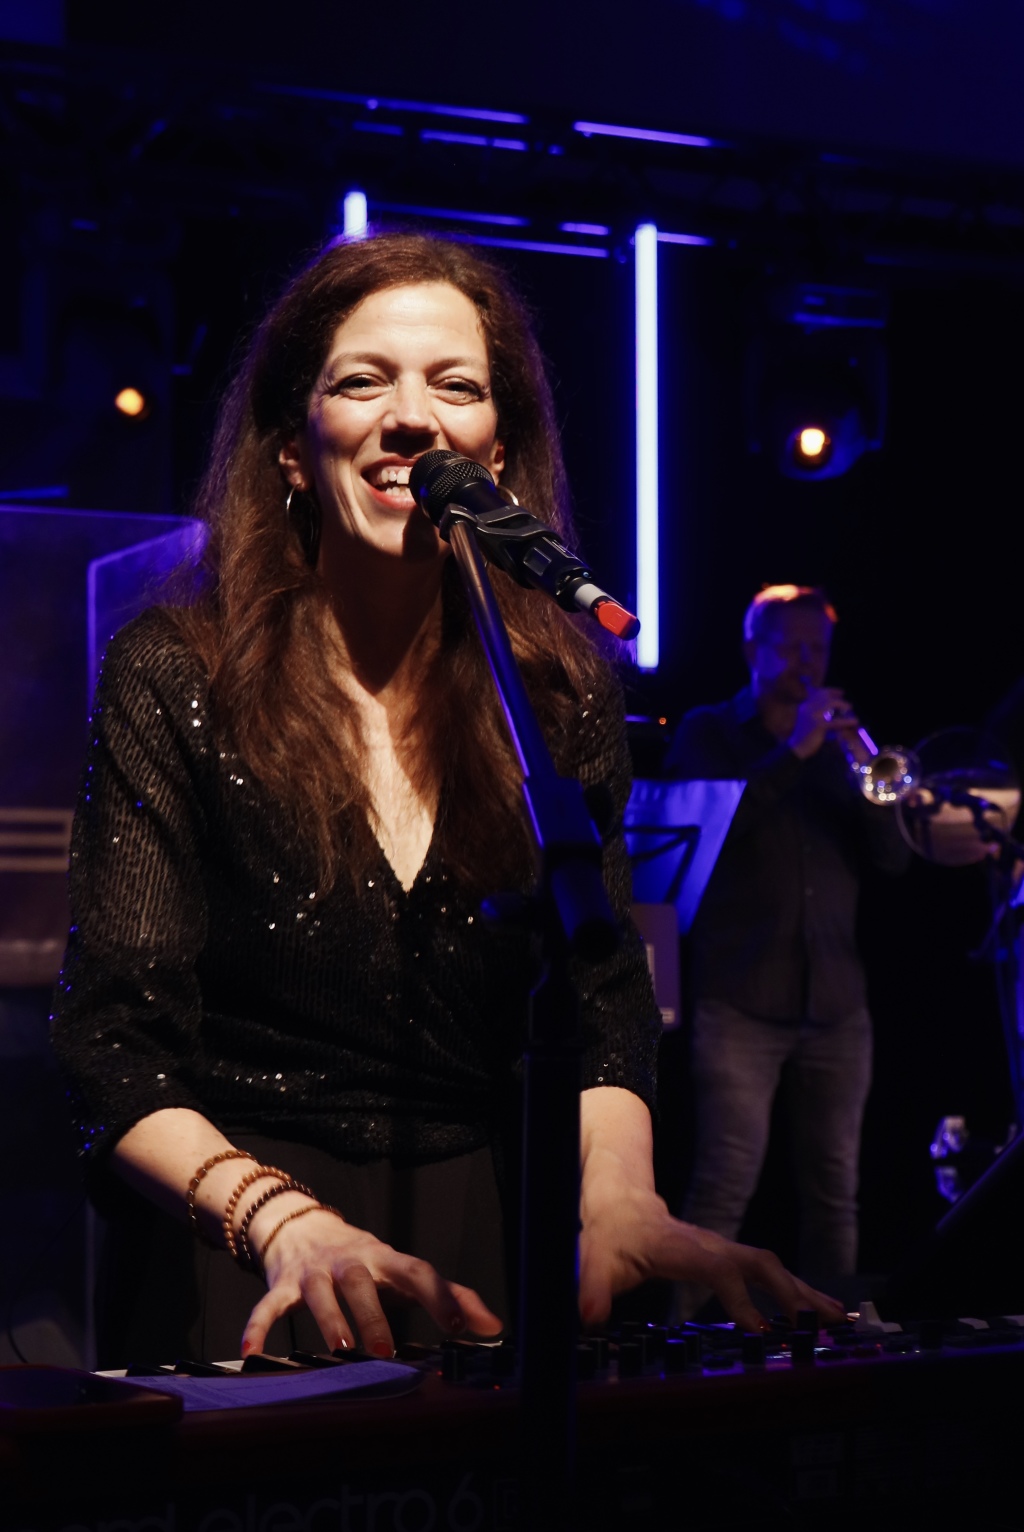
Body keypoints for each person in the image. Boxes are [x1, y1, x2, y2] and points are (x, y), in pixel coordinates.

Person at [51, 238, 842, 1366]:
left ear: (497, 454)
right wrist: (283, 1221)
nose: (413, 418)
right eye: (363, 380)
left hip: (479, 1234)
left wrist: (621, 1197)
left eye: (455, 385)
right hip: (243, 1244)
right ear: (290, 448)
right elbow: (111, 1043)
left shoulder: (558, 697)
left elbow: (604, 998)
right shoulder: (175, 671)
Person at [664, 584, 910, 1308]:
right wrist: (796, 750)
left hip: (837, 1005)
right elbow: (711, 833)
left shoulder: (841, 747)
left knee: (835, 1198)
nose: (809, 660)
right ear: (753, 649)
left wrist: (868, 784)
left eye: (819, 648)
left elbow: (894, 861)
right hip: (740, 1000)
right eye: (792, 645)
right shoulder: (709, 730)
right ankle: (683, 1342)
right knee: (722, 1188)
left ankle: (832, 1346)